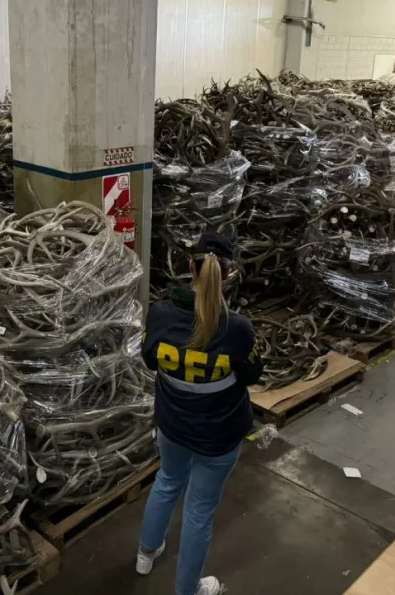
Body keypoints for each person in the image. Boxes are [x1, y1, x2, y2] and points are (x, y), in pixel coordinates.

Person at [136, 231, 263, 595]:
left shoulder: (160, 315)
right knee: (199, 510)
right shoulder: (237, 329)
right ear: (228, 274)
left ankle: (145, 554)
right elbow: (252, 374)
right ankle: (187, 590)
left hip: (172, 425)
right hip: (219, 436)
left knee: (167, 480)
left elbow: (149, 360)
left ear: (190, 268)